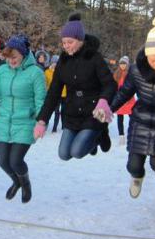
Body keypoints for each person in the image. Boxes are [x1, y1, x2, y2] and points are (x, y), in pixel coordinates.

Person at [110, 15, 155, 202]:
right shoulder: (136, 70)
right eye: (153, 60)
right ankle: (137, 177)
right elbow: (125, 92)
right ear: (147, 55)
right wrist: (109, 108)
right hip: (141, 119)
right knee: (133, 164)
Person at [34, 14, 116, 160]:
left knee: (77, 152)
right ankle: (91, 139)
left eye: (70, 42)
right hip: (72, 113)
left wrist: (103, 100)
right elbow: (53, 93)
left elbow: (110, 84)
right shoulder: (63, 62)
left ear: (80, 40)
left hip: (93, 112)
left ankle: (99, 133)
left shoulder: (94, 58)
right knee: (64, 154)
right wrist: (42, 120)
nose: (66, 46)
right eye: (64, 43)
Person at [0, 34, 46, 203]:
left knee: (15, 161)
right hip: (5, 121)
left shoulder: (35, 73)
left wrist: (40, 121)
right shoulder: (2, 71)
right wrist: (1, 112)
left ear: (23, 54)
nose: (11, 61)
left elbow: (41, 101)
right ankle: (17, 182)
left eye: (14, 57)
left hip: (25, 121)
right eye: (8, 58)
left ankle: (26, 183)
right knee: (2, 161)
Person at [113, 56, 136, 147]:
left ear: (127, 64)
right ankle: (121, 136)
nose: (122, 66)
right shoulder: (116, 74)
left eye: (124, 64)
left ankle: (132, 134)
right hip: (120, 99)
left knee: (132, 117)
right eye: (121, 64)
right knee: (120, 118)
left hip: (129, 99)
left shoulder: (131, 74)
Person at [44, 55, 66, 133]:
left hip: (65, 94)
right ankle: (54, 128)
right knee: (56, 111)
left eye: (57, 63)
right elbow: (45, 84)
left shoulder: (63, 70)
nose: (55, 64)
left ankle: (64, 125)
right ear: (51, 63)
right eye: (54, 62)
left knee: (64, 110)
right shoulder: (47, 72)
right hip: (55, 94)